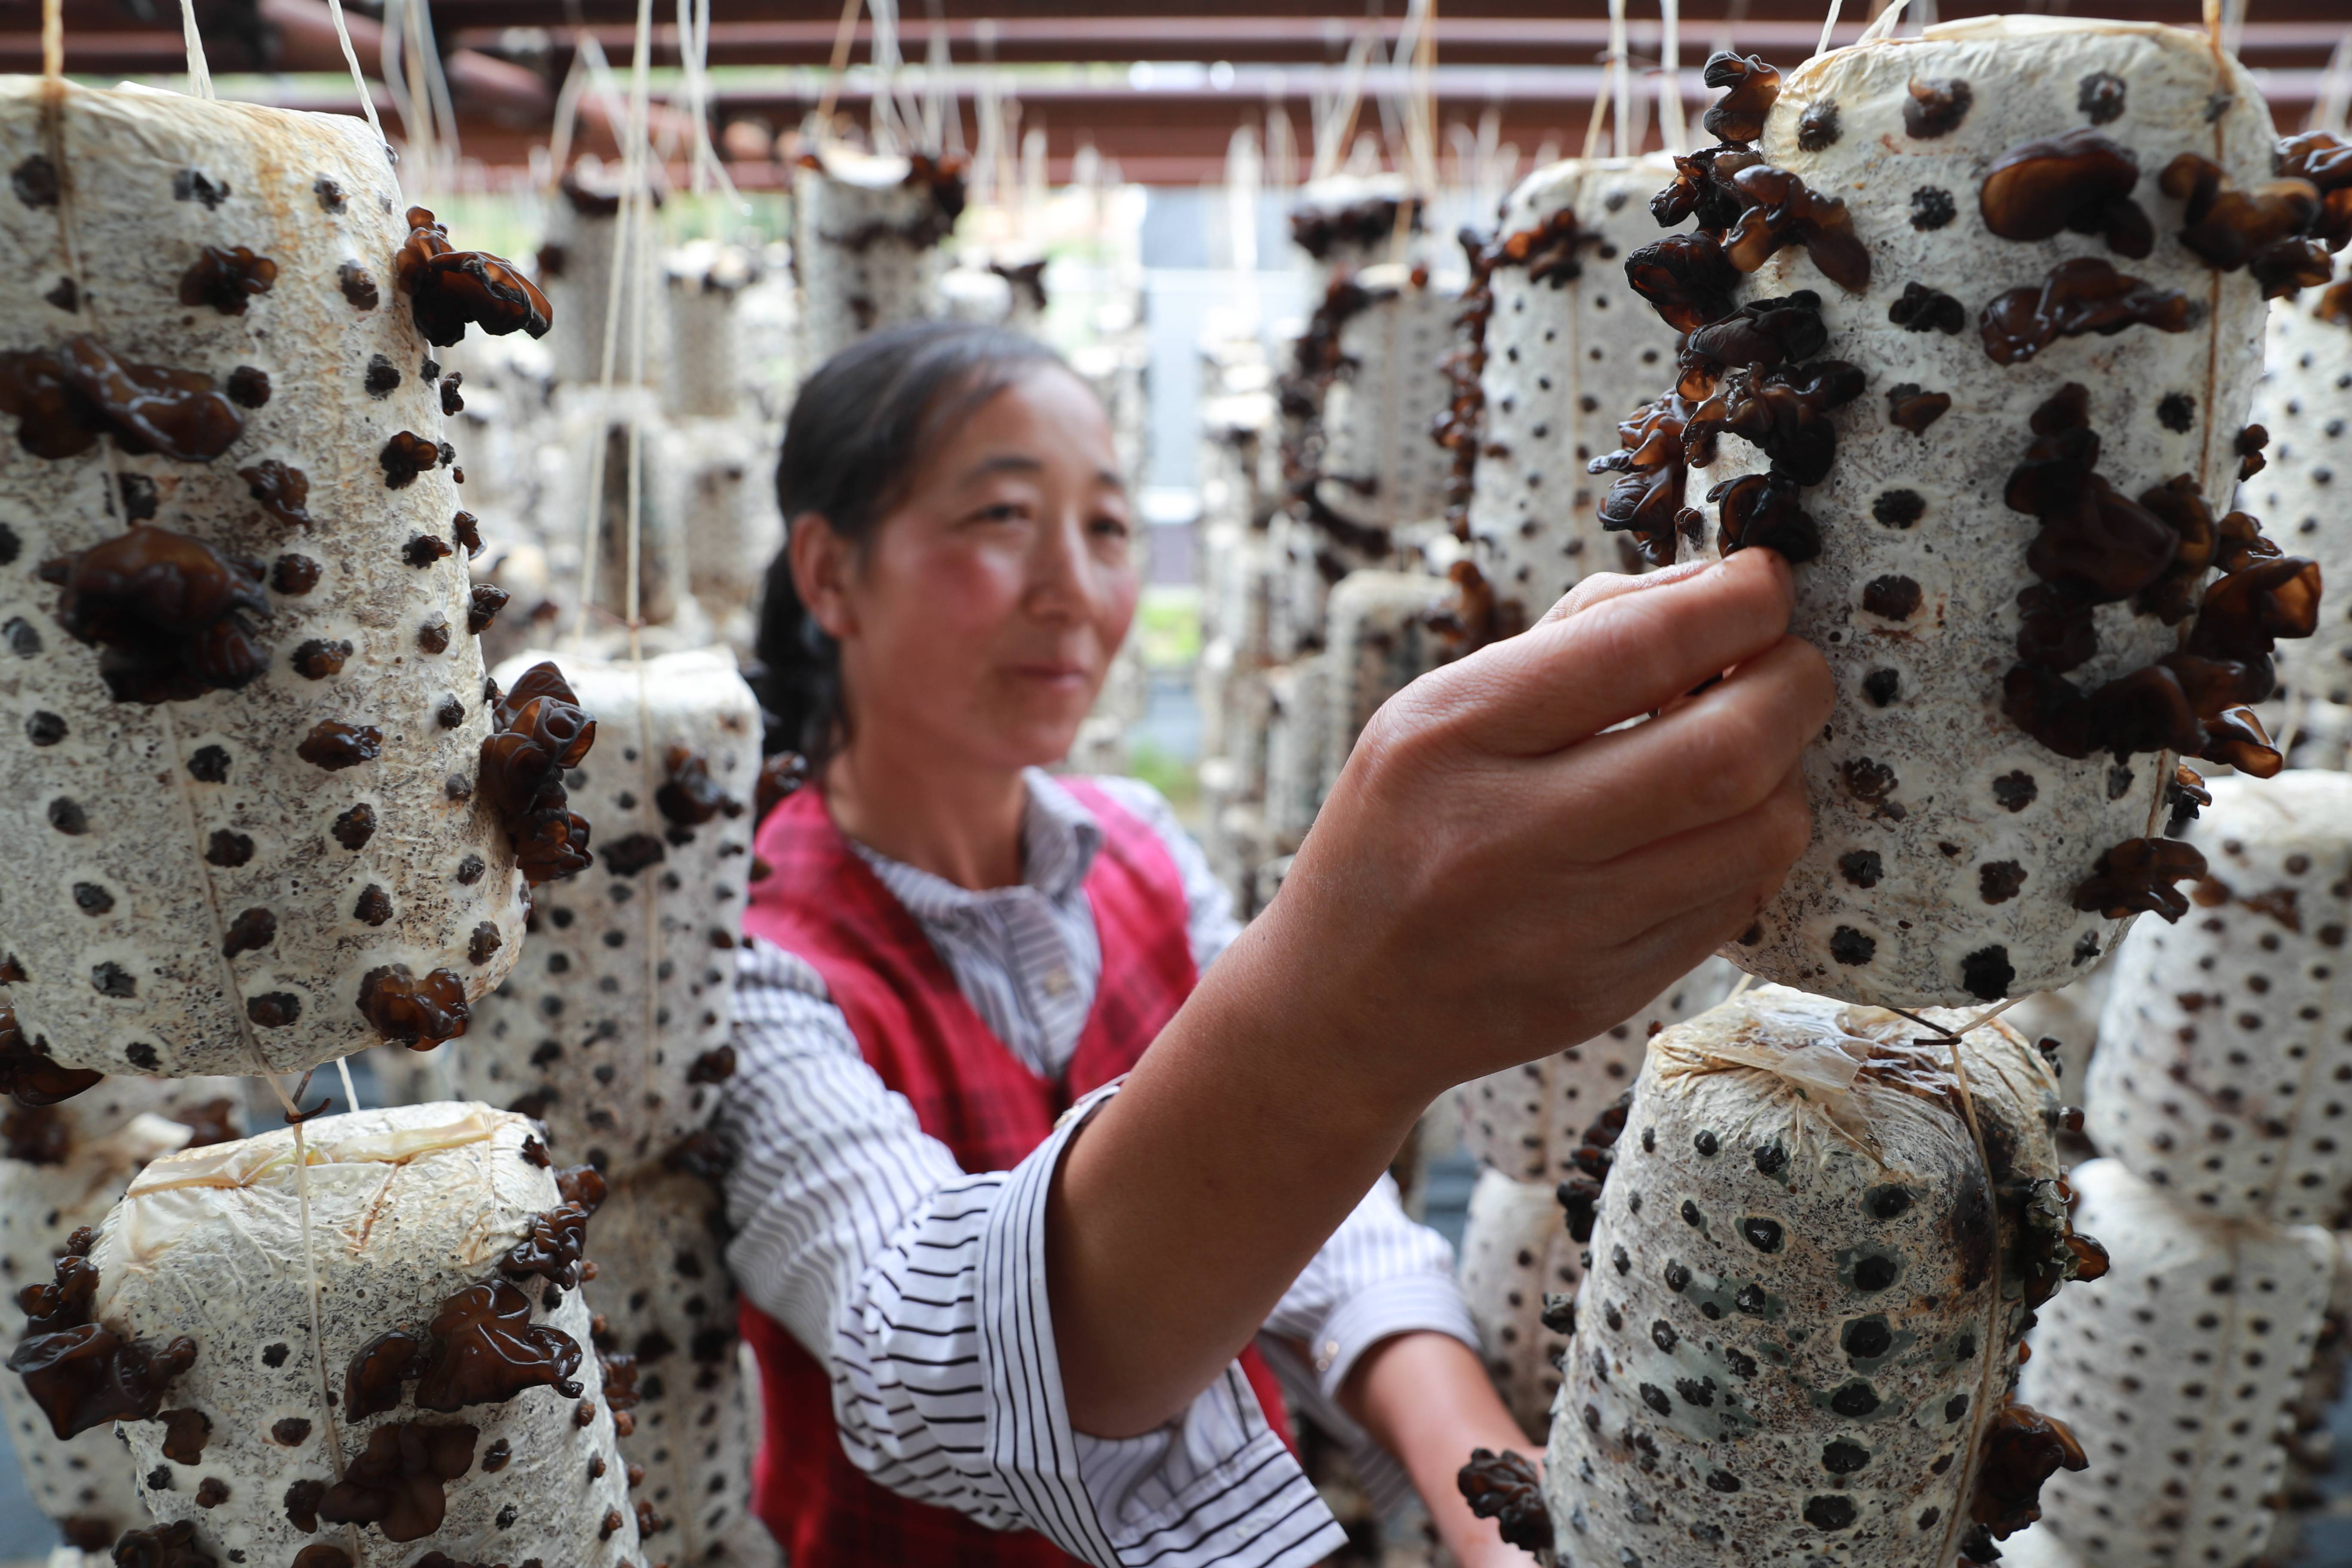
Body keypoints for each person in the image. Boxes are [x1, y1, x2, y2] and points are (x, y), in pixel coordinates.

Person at [718, 320, 1828, 1568]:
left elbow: (1327, 1228)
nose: (1074, 591)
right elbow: (929, 1365)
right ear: (828, 574)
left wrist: (1491, 1498)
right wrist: (1354, 1008)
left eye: (1107, 528)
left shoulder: (1134, 843)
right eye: (1000, 519)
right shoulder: (753, 955)